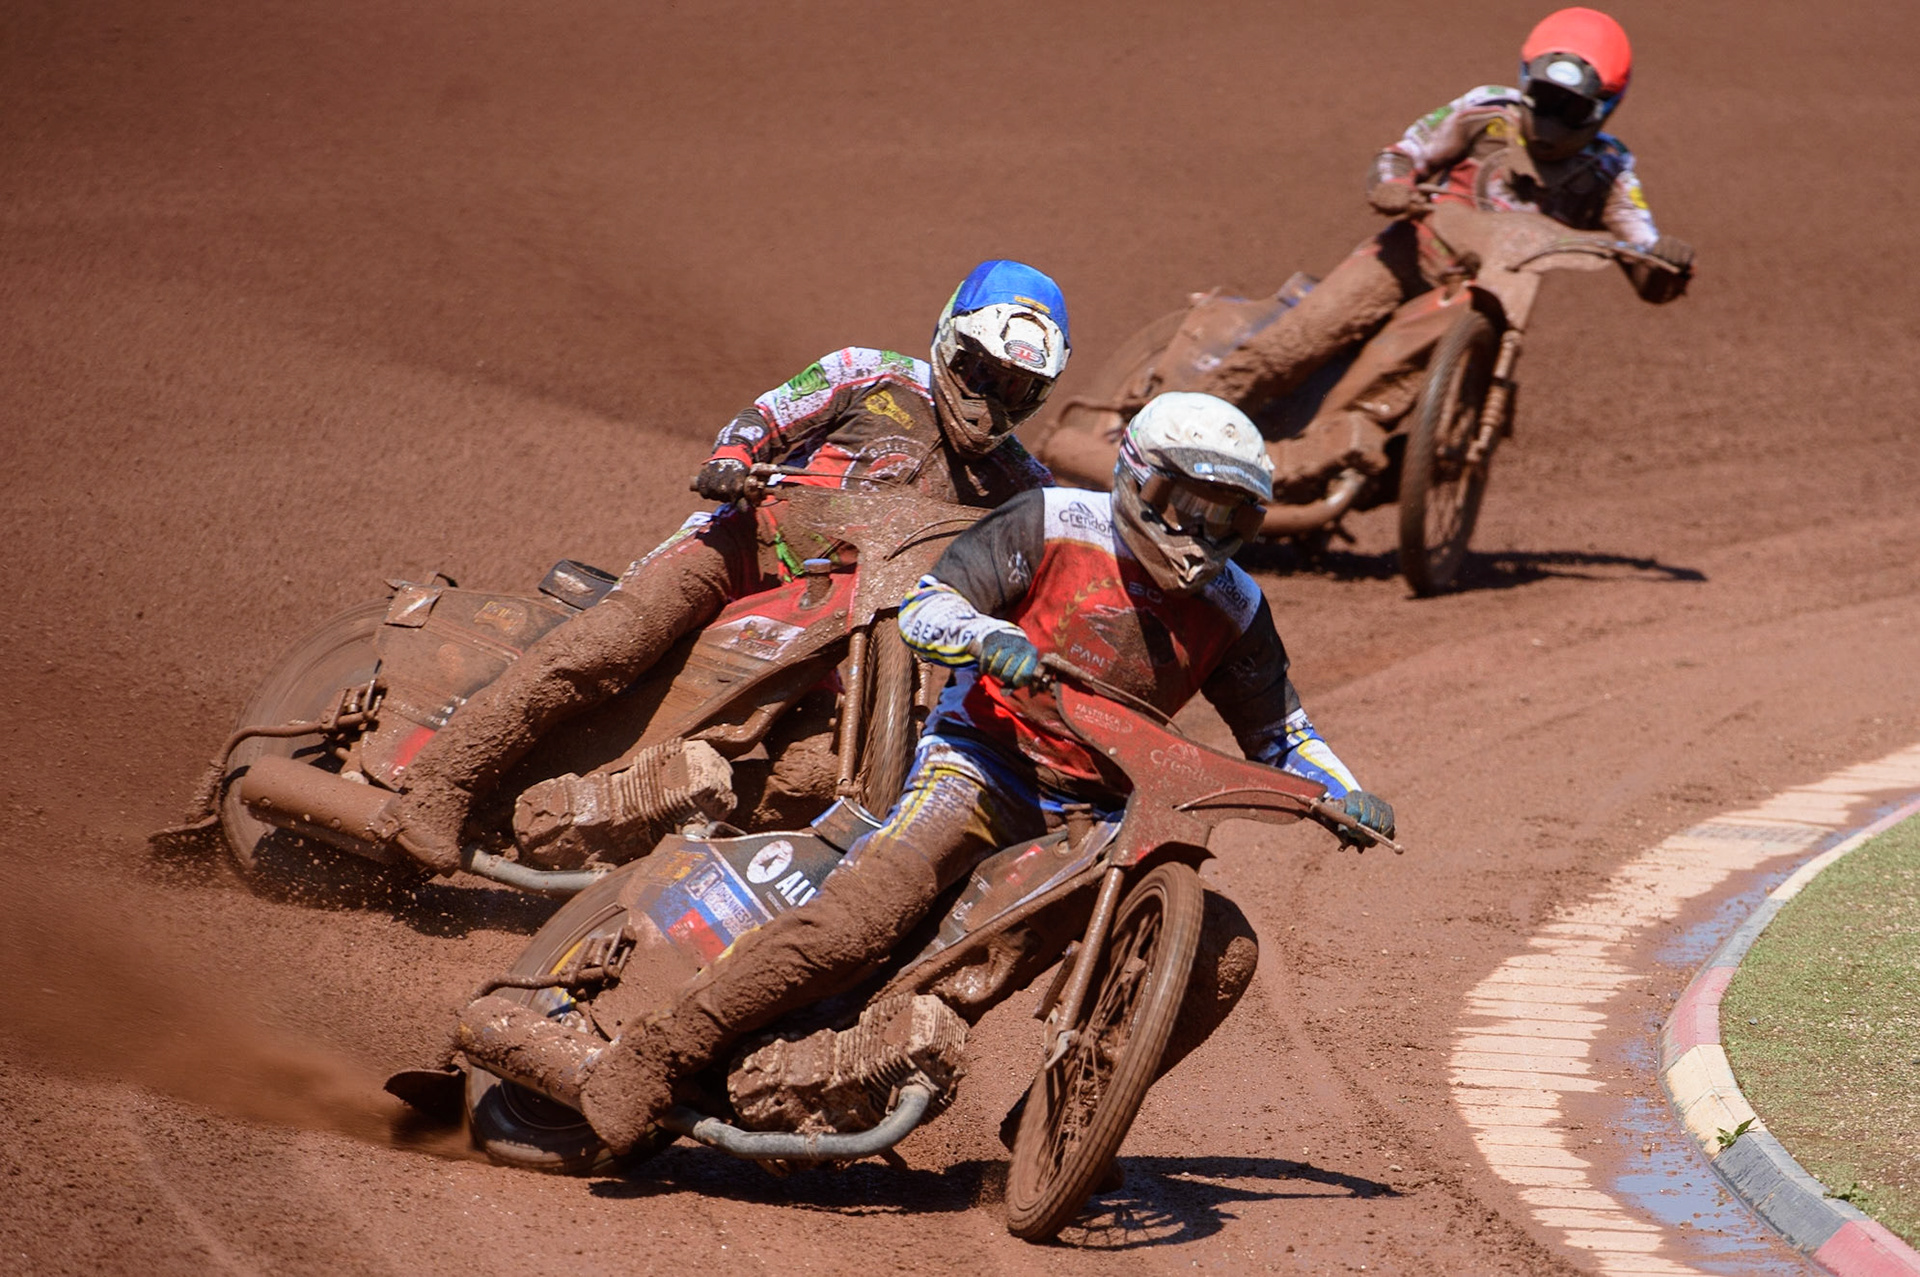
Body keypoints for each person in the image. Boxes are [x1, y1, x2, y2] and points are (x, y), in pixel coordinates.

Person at [580, 391, 1395, 1153]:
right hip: (980, 760)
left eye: (1230, 518)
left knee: (1224, 947)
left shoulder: (1236, 604)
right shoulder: (1052, 519)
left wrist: (1343, 791)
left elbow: (1283, 734)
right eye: (1192, 508)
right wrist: (983, 635)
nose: (1205, 536)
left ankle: (1063, 1126)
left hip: (1104, 813)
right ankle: (657, 1051)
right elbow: (933, 602)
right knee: (860, 921)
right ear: (1143, 482)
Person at [390, 260, 1071, 872]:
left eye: (1016, 387)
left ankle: (666, 858)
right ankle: (442, 785)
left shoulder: (1023, 486)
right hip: (746, 548)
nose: (989, 401)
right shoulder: (870, 373)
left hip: (849, 629)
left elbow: (1065, 560)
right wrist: (734, 459)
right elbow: (769, 414)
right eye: (982, 373)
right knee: (607, 646)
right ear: (949, 343)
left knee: (817, 770)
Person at [1174, 6, 1695, 499]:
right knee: (1292, 347)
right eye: (1545, 98)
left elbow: (1641, 249)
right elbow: (1405, 152)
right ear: (1525, 82)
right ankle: (1169, 435)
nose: (1553, 120)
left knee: (1428, 429)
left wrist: (1665, 262)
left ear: (1603, 109)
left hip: (1489, 299)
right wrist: (1393, 185)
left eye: (1572, 108)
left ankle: (1331, 473)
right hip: (1406, 258)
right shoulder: (1488, 110)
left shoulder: (1609, 169)